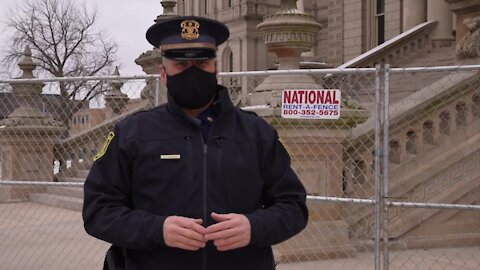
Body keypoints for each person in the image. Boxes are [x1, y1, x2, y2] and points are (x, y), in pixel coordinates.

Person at [83, 15, 308, 270]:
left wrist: (254, 227)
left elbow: (293, 207)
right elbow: (98, 212)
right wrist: (157, 229)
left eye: (201, 62)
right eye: (181, 64)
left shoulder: (256, 133)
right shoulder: (132, 134)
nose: (192, 71)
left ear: (216, 68)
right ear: (164, 73)